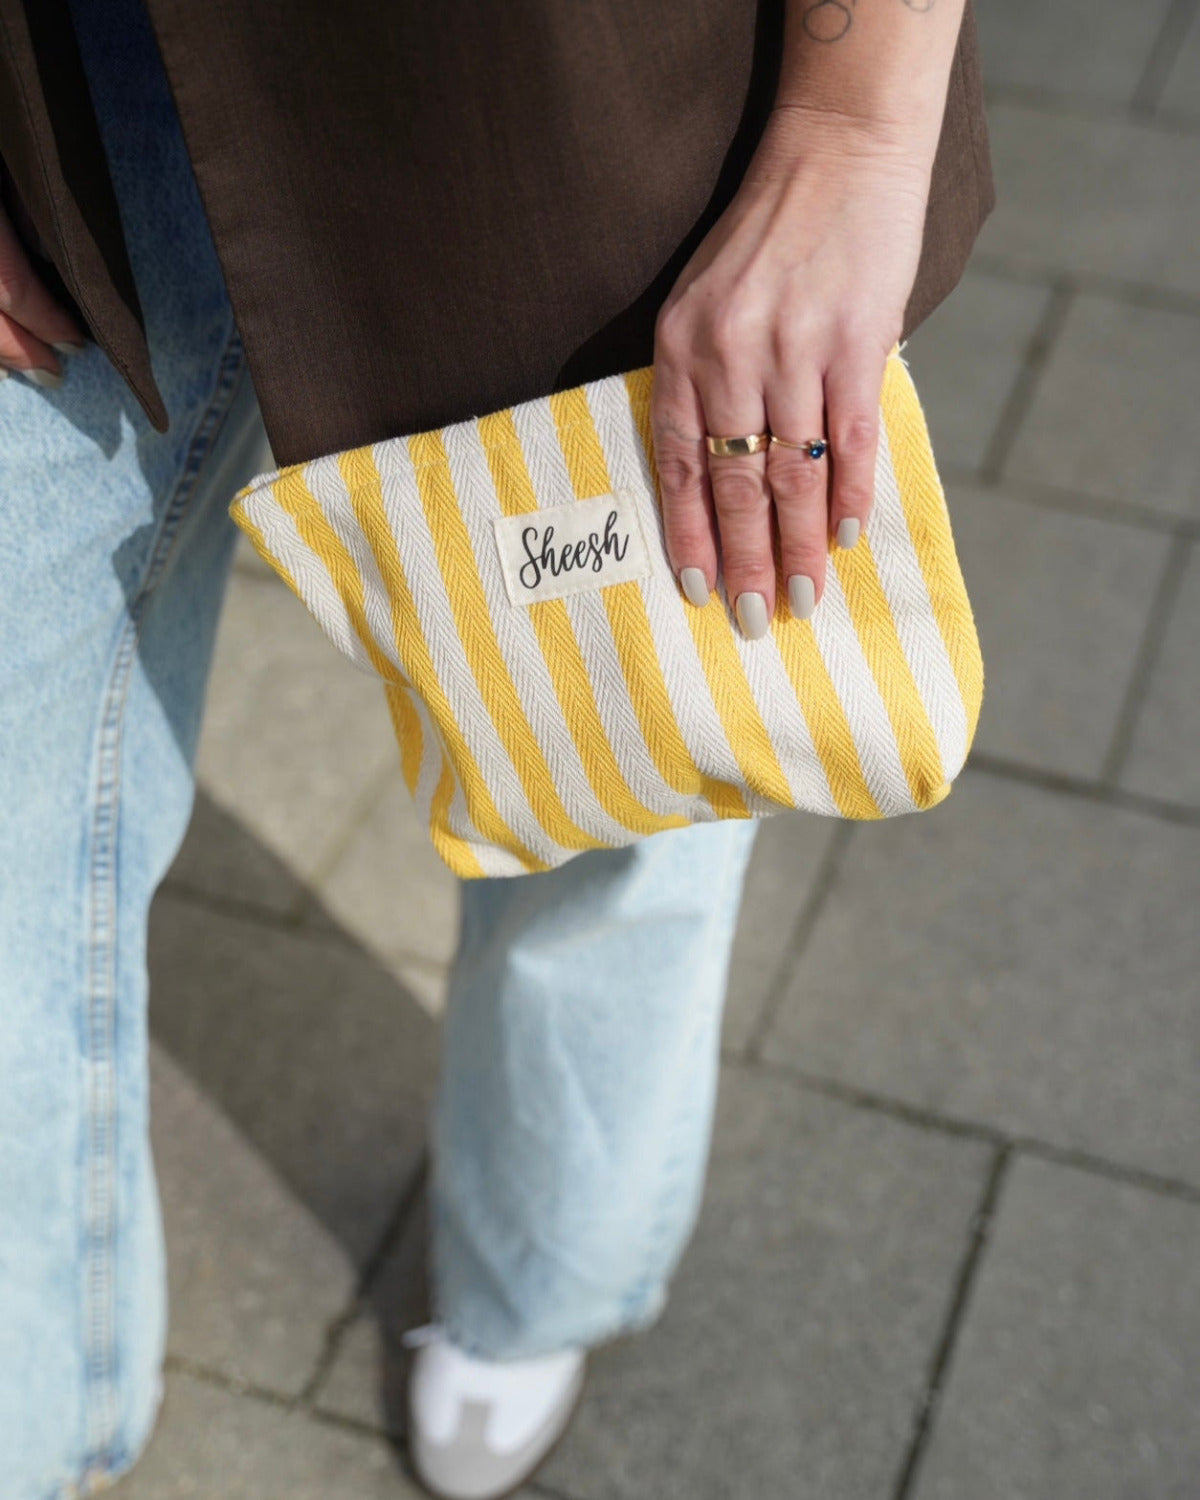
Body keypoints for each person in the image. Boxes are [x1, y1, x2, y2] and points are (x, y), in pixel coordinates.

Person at [0, 0, 992, 1496]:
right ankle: (34, 1405)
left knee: (649, 731)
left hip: (557, 66)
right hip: (57, 72)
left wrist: (855, 122)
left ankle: (546, 1265)